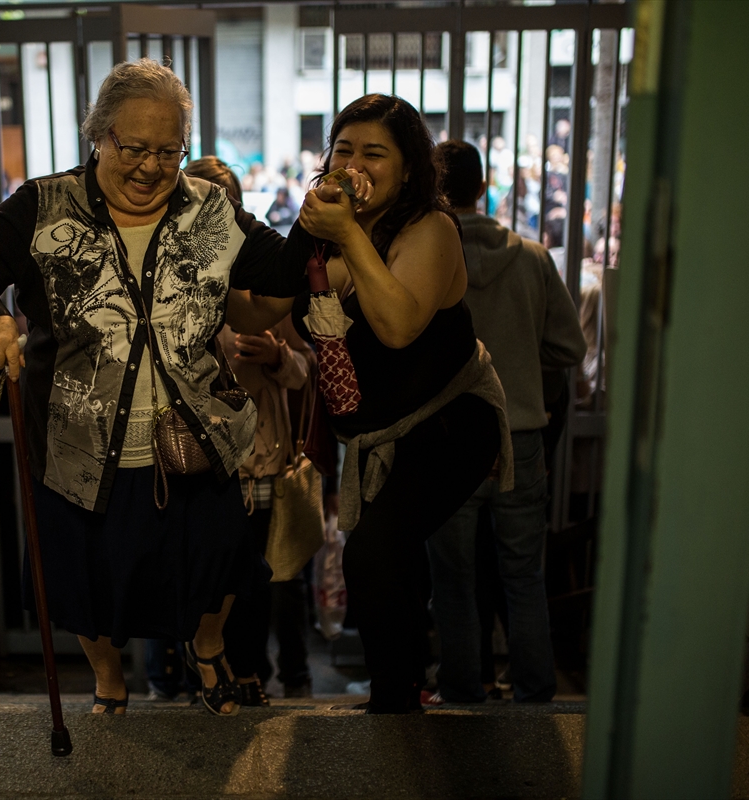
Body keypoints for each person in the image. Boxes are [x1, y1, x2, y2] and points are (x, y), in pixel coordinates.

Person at [0, 59, 316, 717]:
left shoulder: (207, 212)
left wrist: (315, 223)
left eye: (169, 151)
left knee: (222, 557)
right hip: (80, 438)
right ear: (98, 137)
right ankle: (109, 679)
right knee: (85, 577)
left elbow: (279, 269)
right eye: (132, 148)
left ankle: (209, 644)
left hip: (189, 434)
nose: (150, 167)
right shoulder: (47, 206)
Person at [232, 94, 513, 714]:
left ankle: (393, 705)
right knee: (392, 558)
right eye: (344, 149)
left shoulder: (430, 229)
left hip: (451, 419)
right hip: (379, 432)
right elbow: (259, 309)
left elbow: (397, 325)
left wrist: (345, 234)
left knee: (373, 552)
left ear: (408, 167)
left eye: (374, 153)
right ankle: (406, 694)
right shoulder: (321, 238)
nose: (354, 163)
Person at [143, 156, 315, 707]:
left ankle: (253, 674)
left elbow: (304, 371)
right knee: (199, 575)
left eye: (226, 203)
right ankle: (197, 677)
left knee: (258, 580)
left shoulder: (265, 278)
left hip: (259, 457)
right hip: (194, 460)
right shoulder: (169, 281)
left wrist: (277, 355)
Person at [425, 140, 587, 703]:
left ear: (434, 190)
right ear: (483, 188)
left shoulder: (423, 258)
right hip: (520, 436)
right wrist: (519, 371)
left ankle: (462, 692)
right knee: (524, 576)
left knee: (453, 581)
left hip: (448, 440)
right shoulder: (534, 257)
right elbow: (570, 347)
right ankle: (535, 695)